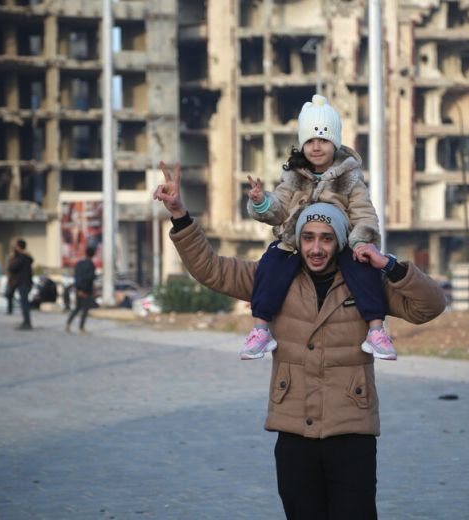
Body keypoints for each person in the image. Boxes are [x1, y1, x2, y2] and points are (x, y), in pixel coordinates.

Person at [153, 163, 446, 519]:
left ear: (339, 240)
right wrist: (181, 216)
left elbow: (429, 306)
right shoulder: (273, 278)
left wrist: (387, 264)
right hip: (293, 433)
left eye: (326, 238)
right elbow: (212, 269)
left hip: (351, 434)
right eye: (308, 237)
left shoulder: (368, 283)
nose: (317, 248)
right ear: (299, 239)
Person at [242, 94, 396, 362]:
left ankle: (376, 330)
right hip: (294, 241)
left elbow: (364, 215)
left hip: (341, 243)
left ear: (334, 143)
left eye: (323, 140)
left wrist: (360, 242)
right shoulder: (292, 177)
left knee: (364, 270)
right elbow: (277, 210)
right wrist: (261, 201)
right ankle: (260, 329)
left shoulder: (350, 179)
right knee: (270, 265)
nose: (316, 147)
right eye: (310, 140)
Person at [65, 246, 96, 334]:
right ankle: (81, 328)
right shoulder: (91, 265)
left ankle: (68, 324)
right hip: (86, 291)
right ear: (93, 255)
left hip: (78, 289)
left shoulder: (79, 263)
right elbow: (89, 279)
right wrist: (85, 291)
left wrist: (79, 289)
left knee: (77, 308)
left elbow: (77, 277)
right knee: (85, 310)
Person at [7, 239, 34, 330]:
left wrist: (13, 259)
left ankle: (27, 322)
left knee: (24, 303)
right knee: (24, 302)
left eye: (16, 246)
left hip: (22, 282)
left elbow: (12, 268)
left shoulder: (21, 258)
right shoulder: (26, 257)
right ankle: (26, 321)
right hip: (26, 282)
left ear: (18, 247)